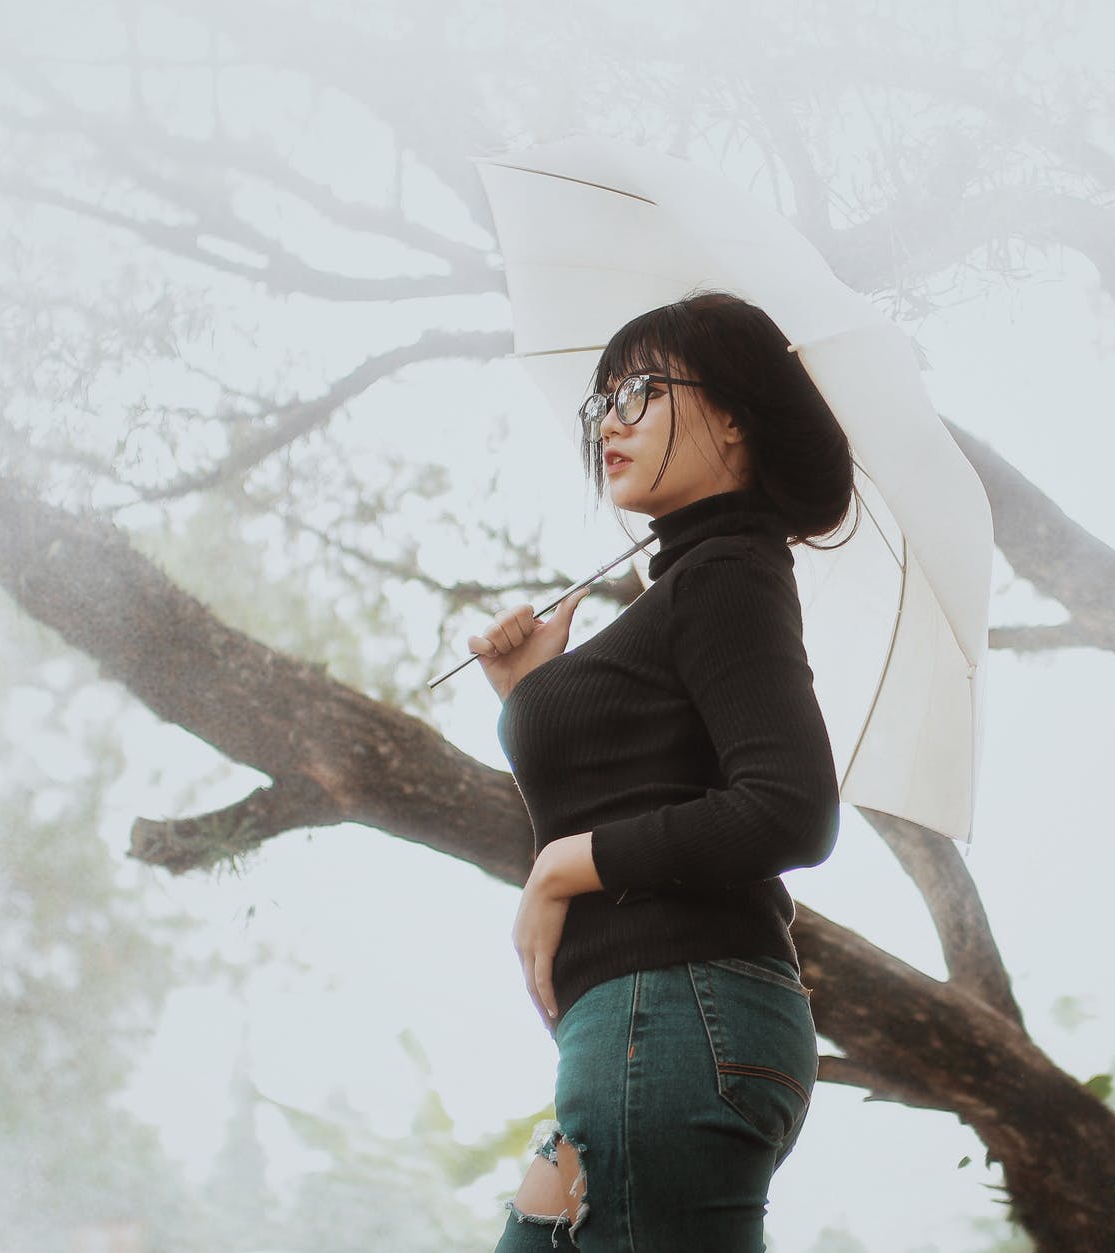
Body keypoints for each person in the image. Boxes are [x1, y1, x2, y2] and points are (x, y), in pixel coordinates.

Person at [470, 291, 854, 1251]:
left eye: (642, 389)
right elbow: (625, 791)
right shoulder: (694, 583)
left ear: (732, 413)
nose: (612, 419)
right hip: (650, 1021)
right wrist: (529, 693)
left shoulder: (728, 571)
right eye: (603, 400)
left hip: (676, 1013)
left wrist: (565, 864)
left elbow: (791, 809)